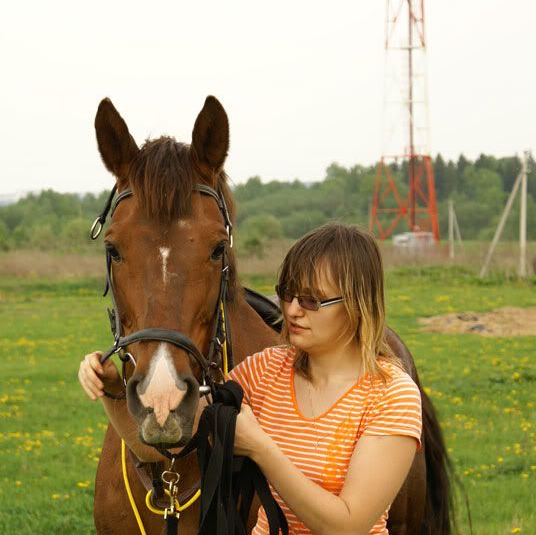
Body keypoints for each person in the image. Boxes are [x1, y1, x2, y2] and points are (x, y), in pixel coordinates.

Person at [78, 222, 422, 534]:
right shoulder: (263, 371)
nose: (291, 310)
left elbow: (347, 524)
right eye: (287, 293)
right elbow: (167, 446)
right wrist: (114, 392)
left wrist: (260, 448)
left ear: (358, 305)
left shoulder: (392, 395)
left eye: (311, 300)